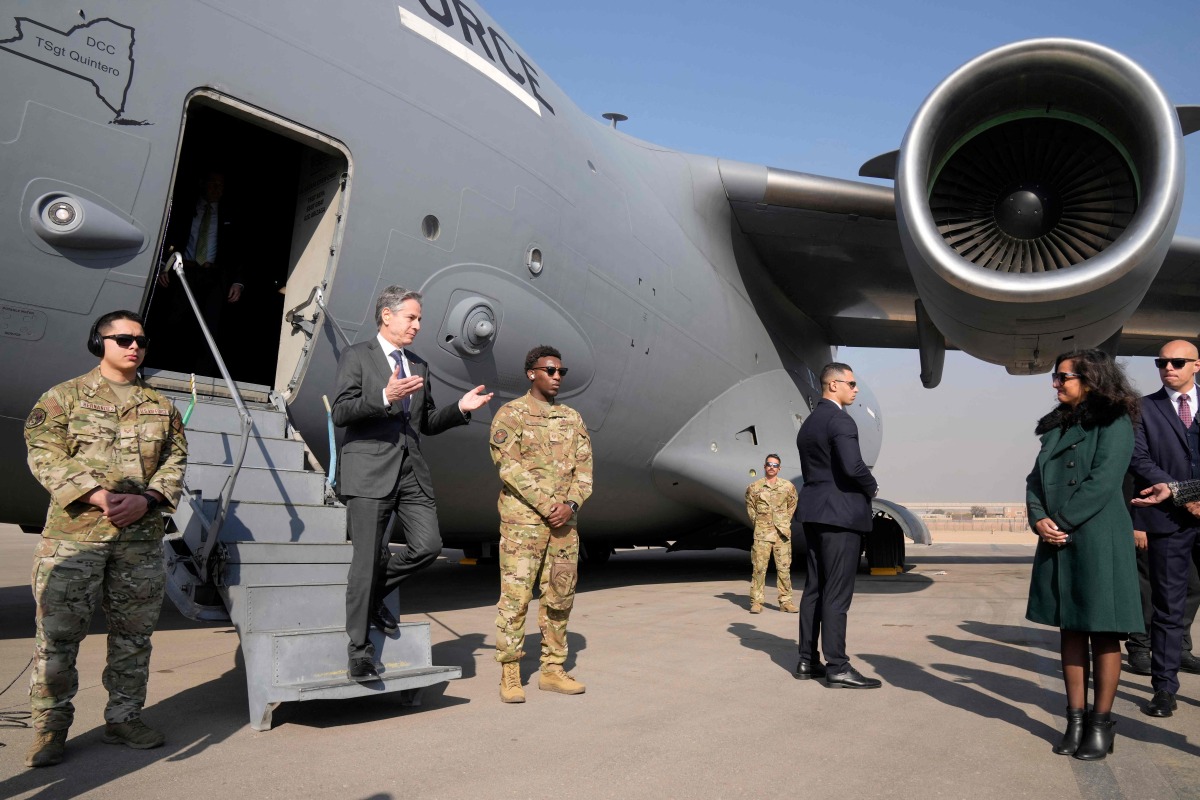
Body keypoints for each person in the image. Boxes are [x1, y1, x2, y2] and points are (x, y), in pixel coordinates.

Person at [22, 310, 187, 768]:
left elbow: (176, 460)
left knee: (134, 637)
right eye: (122, 338)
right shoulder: (64, 397)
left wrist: (150, 499)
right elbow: (43, 452)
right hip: (75, 538)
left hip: (139, 540)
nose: (133, 346)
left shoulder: (162, 407)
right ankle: (49, 730)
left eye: (140, 339)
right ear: (99, 343)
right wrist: (94, 495)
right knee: (57, 639)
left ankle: (124, 718)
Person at [331, 286, 492, 683]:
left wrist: (460, 410)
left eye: (419, 319)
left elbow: (426, 422)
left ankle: (370, 594)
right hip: (368, 472)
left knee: (428, 546)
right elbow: (341, 412)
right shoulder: (357, 357)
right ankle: (359, 653)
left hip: (410, 472)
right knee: (365, 560)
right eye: (412, 318)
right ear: (387, 316)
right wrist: (384, 397)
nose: (418, 325)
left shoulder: (418, 366)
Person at [1025, 349, 1142, 760]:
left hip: (1097, 537)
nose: (1055, 384)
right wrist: (1038, 518)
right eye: (1055, 378)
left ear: (1089, 379)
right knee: (1070, 630)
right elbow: (1034, 479)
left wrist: (1061, 522)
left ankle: (1101, 724)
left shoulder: (1115, 421)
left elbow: (1103, 481)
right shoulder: (1055, 427)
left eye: (1062, 377)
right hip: (1058, 537)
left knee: (1104, 632)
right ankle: (1074, 720)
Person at [490, 345, 593, 703]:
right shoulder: (511, 414)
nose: (557, 377)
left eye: (561, 371)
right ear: (531, 372)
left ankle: (553, 669)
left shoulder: (573, 418)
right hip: (524, 526)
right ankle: (511, 671)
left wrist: (571, 504)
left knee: (560, 598)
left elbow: (585, 471)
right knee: (516, 599)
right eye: (550, 370)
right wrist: (551, 505)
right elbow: (509, 466)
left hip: (564, 528)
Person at [794, 362, 881, 688]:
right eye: (852, 383)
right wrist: (872, 486)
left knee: (814, 589)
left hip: (814, 513)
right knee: (837, 593)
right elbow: (852, 465)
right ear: (833, 385)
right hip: (841, 517)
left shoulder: (809, 425)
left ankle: (807, 660)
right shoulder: (840, 420)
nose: (856, 389)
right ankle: (837, 666)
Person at [1127, 339, 1200, 718]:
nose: (1168, 367)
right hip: (1168, 522)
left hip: (1181, 504)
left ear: (1196, 365)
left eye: (1177, 361)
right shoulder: (1143, 409)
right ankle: (1165, 689)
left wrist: (1190, 490)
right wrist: (1184, 496)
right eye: (1161, 362)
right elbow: (1139, 459)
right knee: (1168, 608)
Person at [154, 169, 244, 374]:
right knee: (174, 322)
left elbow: (238, 250)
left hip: (214, 277)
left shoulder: (230, 214)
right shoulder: (185, 209)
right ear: (202, 183)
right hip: (184, 273)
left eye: (221, 185)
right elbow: (167, 238)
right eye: (213, 183)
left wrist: (238, 281)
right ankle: (164, 368)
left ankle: (201, 376)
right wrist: (162, 266)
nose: (216, 189)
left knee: (209, 327)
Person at [745, 454, 798, 614]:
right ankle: (757, 602)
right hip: (762, 535)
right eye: (769, 464)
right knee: (759, 569)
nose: (771, 467)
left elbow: (792, 504)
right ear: (764, 466)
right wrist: (761, 524)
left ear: (779, 468)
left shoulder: (788, 486)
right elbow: (751, 508)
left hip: (782, 534)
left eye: (775, 465)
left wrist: (784, 521)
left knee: (784, 570)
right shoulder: (754, 487)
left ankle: (786, 601)